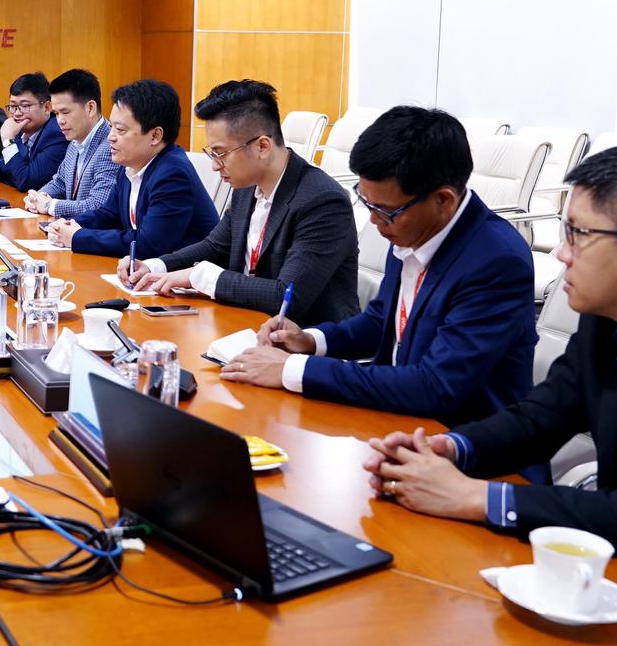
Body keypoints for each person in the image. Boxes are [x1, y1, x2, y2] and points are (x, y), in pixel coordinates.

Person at [363, 140, 617, 599]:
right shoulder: (607, 320)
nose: (562, 253)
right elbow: (540, 417)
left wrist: (474, 497)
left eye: (578, 234)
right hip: (615, 570)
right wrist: (451, 449)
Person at [222, 106, 537, 427]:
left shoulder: (496, 261)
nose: (374, 220)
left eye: (384, 210)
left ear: (443, 201)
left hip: (459, 438)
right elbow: (381, 321)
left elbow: (435, 387)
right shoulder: (411, 226)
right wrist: (309, 341)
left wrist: (291, 369)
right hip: (394, 416)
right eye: (367, 203)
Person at [121, 80, 359, 326]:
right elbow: (215, 247)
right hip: (242, 320)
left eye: (220, 153)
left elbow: (286, 296)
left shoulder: (322, 201)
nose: (214, 166)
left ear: (262, 146)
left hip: (301, 337)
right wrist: (154, 266)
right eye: (212, 153)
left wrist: (201, 276)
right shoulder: (246, 186)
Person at [47, 79, 216, 258]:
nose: (110, 137)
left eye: (120, 130)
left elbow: (149, 244)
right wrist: (65, 225)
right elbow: (108, 215)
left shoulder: (173, 174)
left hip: (186, 271)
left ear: (155, 136)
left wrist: (78, 237)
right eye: (111, 127)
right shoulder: (130, 165)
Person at [24, 68, 118, 219]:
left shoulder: (111, 146)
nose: (60, 121)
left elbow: (98, 205)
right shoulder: (74, 141)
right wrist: (38, 197)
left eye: (65, 112)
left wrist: (50, 205)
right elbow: (60, 182)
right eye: (56, 114)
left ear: (90, 108)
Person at [0, 72, 67, 192]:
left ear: (46, 108)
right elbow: (4, 165)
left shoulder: (57, 134)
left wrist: (8, 141)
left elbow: (27, 182)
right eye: (13, 106)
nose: (17, 113)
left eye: (25, 106)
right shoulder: (21, 130)